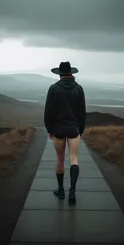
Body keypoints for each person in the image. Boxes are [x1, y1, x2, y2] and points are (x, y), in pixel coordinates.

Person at [44, 61, 86, 205]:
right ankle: (72, 192)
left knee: (60, 159)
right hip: (74, 129)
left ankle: (61, 191)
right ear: (71, 73)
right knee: (74, 159)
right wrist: (81, 130)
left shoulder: (53, 89)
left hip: (58, 129)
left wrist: (49, 129)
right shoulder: (79, 89)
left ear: (60, 74)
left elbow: (48, 111)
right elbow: (82, 113)